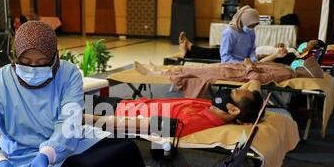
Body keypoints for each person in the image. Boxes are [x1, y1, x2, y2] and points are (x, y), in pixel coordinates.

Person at [0, 21, 150, 167]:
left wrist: (47, 153)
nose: (33, 69)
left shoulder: (68, 74)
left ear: (55, 57)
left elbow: (70, 122)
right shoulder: (0, 83)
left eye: (42, 62)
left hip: (69, 142)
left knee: (126, 149)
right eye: (26, 61)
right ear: (15, 57)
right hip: (24, 154)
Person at [91, 87, 265, 138]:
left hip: (112, 112)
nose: (232, 89)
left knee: (66, 108)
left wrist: (89, 119)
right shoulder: (214, 107)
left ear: (233, 109)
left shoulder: (195, 122)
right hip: (123, 103)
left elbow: (143, 125)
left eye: (234, 92)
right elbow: (254, 82)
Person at [135, 56, 323, 98]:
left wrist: (249, 65)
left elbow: (257, 79)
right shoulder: (285, 67)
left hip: (233, 74)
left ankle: (156, 72)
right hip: (232, 68)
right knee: (196, 68)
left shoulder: (286, 72)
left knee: (192, 73)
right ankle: (160, 69)